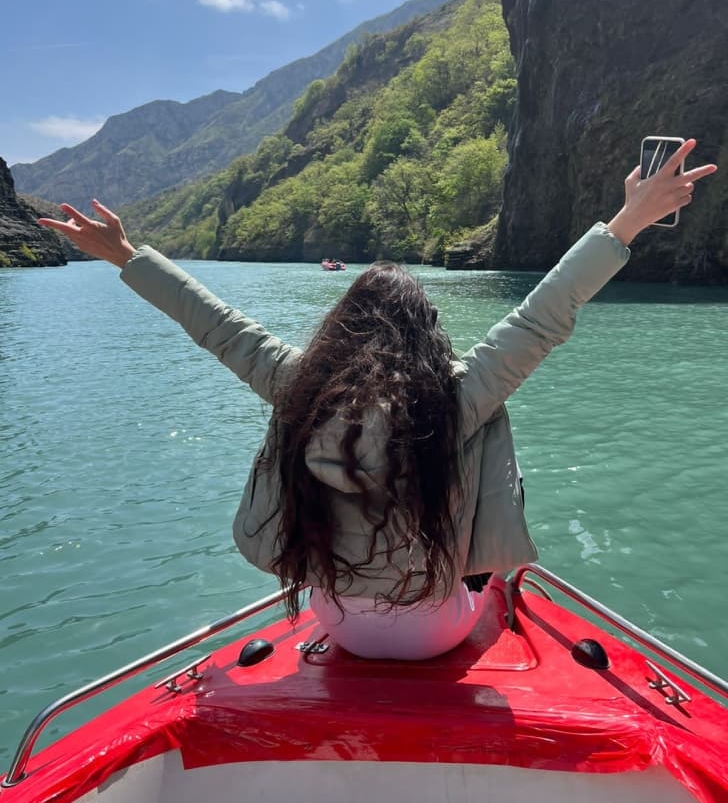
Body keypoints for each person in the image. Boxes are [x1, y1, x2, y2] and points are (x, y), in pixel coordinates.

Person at [39, 140, 716, 660]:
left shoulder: (296, 384)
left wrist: (126, 255)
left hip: (336, 623)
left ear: (344, 325)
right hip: (436, 630)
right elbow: (544, 313)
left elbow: (214, 323)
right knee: (492, 531)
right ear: (425, 332)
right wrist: (628, 219)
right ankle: (487, 587)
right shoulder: (455, 399)